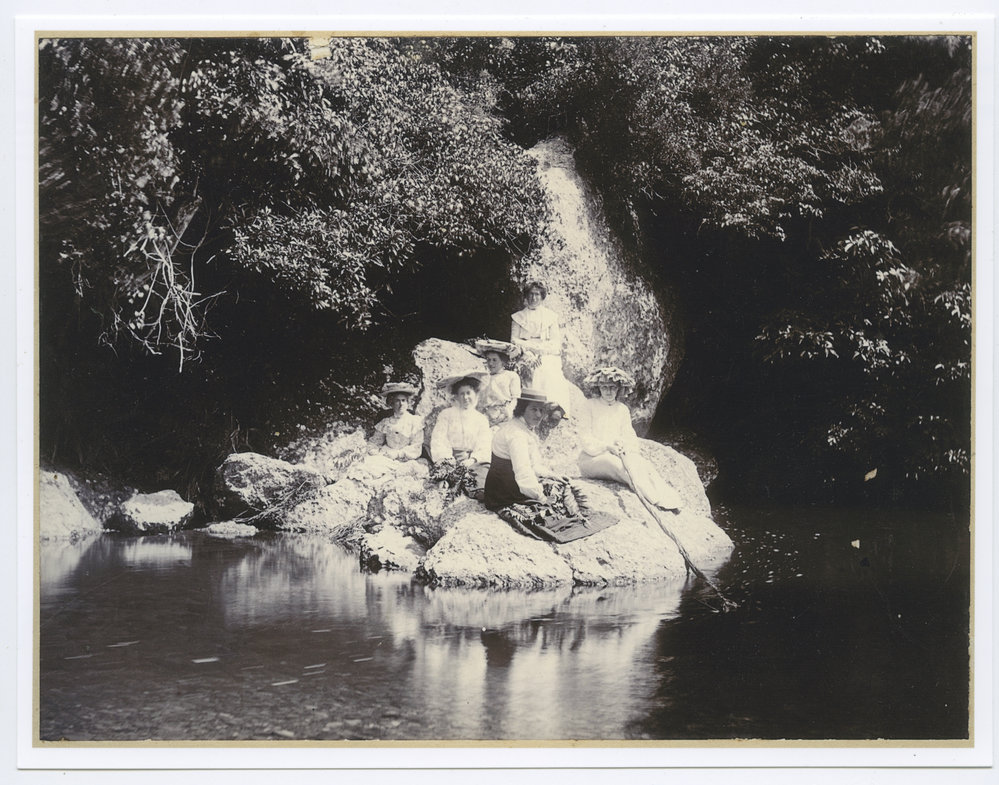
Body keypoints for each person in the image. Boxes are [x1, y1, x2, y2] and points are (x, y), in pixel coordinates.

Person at [576, 366, 682, 511]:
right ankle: (651, 498)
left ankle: (669, 498)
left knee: (644, 464)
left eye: (612, 387)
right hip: (592, 459)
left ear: (618, 389)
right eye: (604, 387)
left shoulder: (622, 409)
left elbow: (629, 435)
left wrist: (624, 445)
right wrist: (607, 446)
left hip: (618, 454)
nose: (608, 391)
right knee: (618, 466)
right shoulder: (589, 405)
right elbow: (585, 437)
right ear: (598, 387)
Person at [483, 389, 560, 510]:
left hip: (507, 486)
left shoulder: (521, 428)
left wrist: (552, 475)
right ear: (522, 409)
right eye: (533, 409)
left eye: (541, 410)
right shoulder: (516, 434)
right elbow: (523, 473)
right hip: (504, 493)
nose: (539, 415)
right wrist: (541, 498)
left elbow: (532, 465)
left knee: (559, 486)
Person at [510, 281, 573, 416]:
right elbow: (514, 341)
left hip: (546, 353)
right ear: (526, 296)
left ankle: (553, 405)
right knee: (532, 367)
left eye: (537, 294)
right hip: (526, 353)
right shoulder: (518, 317)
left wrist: (538, 349)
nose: (534, 298)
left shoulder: (551, 317)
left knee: (549, 367)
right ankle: (533, 405)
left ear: (542, 296)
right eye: (531, 294)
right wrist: (529, 350)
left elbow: (555, 343)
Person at [429, 373, 492, 467]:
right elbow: (439, 440)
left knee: (479, 480)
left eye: (468, 393)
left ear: (475, 394)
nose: (465, 397)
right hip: (448, 461)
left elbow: (484, 445)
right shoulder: (446, 414)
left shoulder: (481, 419)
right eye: (462, 394)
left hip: (474, 463)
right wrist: (448, 459)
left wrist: (472, 459)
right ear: (457, 396)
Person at [473, 338, 523, 427]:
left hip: (502, 417)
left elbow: (515, 399)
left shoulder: (511, 376)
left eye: (494, 360)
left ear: (503, 362)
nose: (491, 363)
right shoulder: (483, 377)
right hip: (483, 417)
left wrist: (507, 413)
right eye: (488, 359)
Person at [368, 382, 424, 460]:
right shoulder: (386, 422)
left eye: (403, 400)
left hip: (406, 460)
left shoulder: (415, 422)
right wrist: (373, 450)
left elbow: (416, 446)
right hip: (385, 456)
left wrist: (398, 454)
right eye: (397, 401)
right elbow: (375, 441)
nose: (401, 404)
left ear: (408, 402)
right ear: (392, 403)